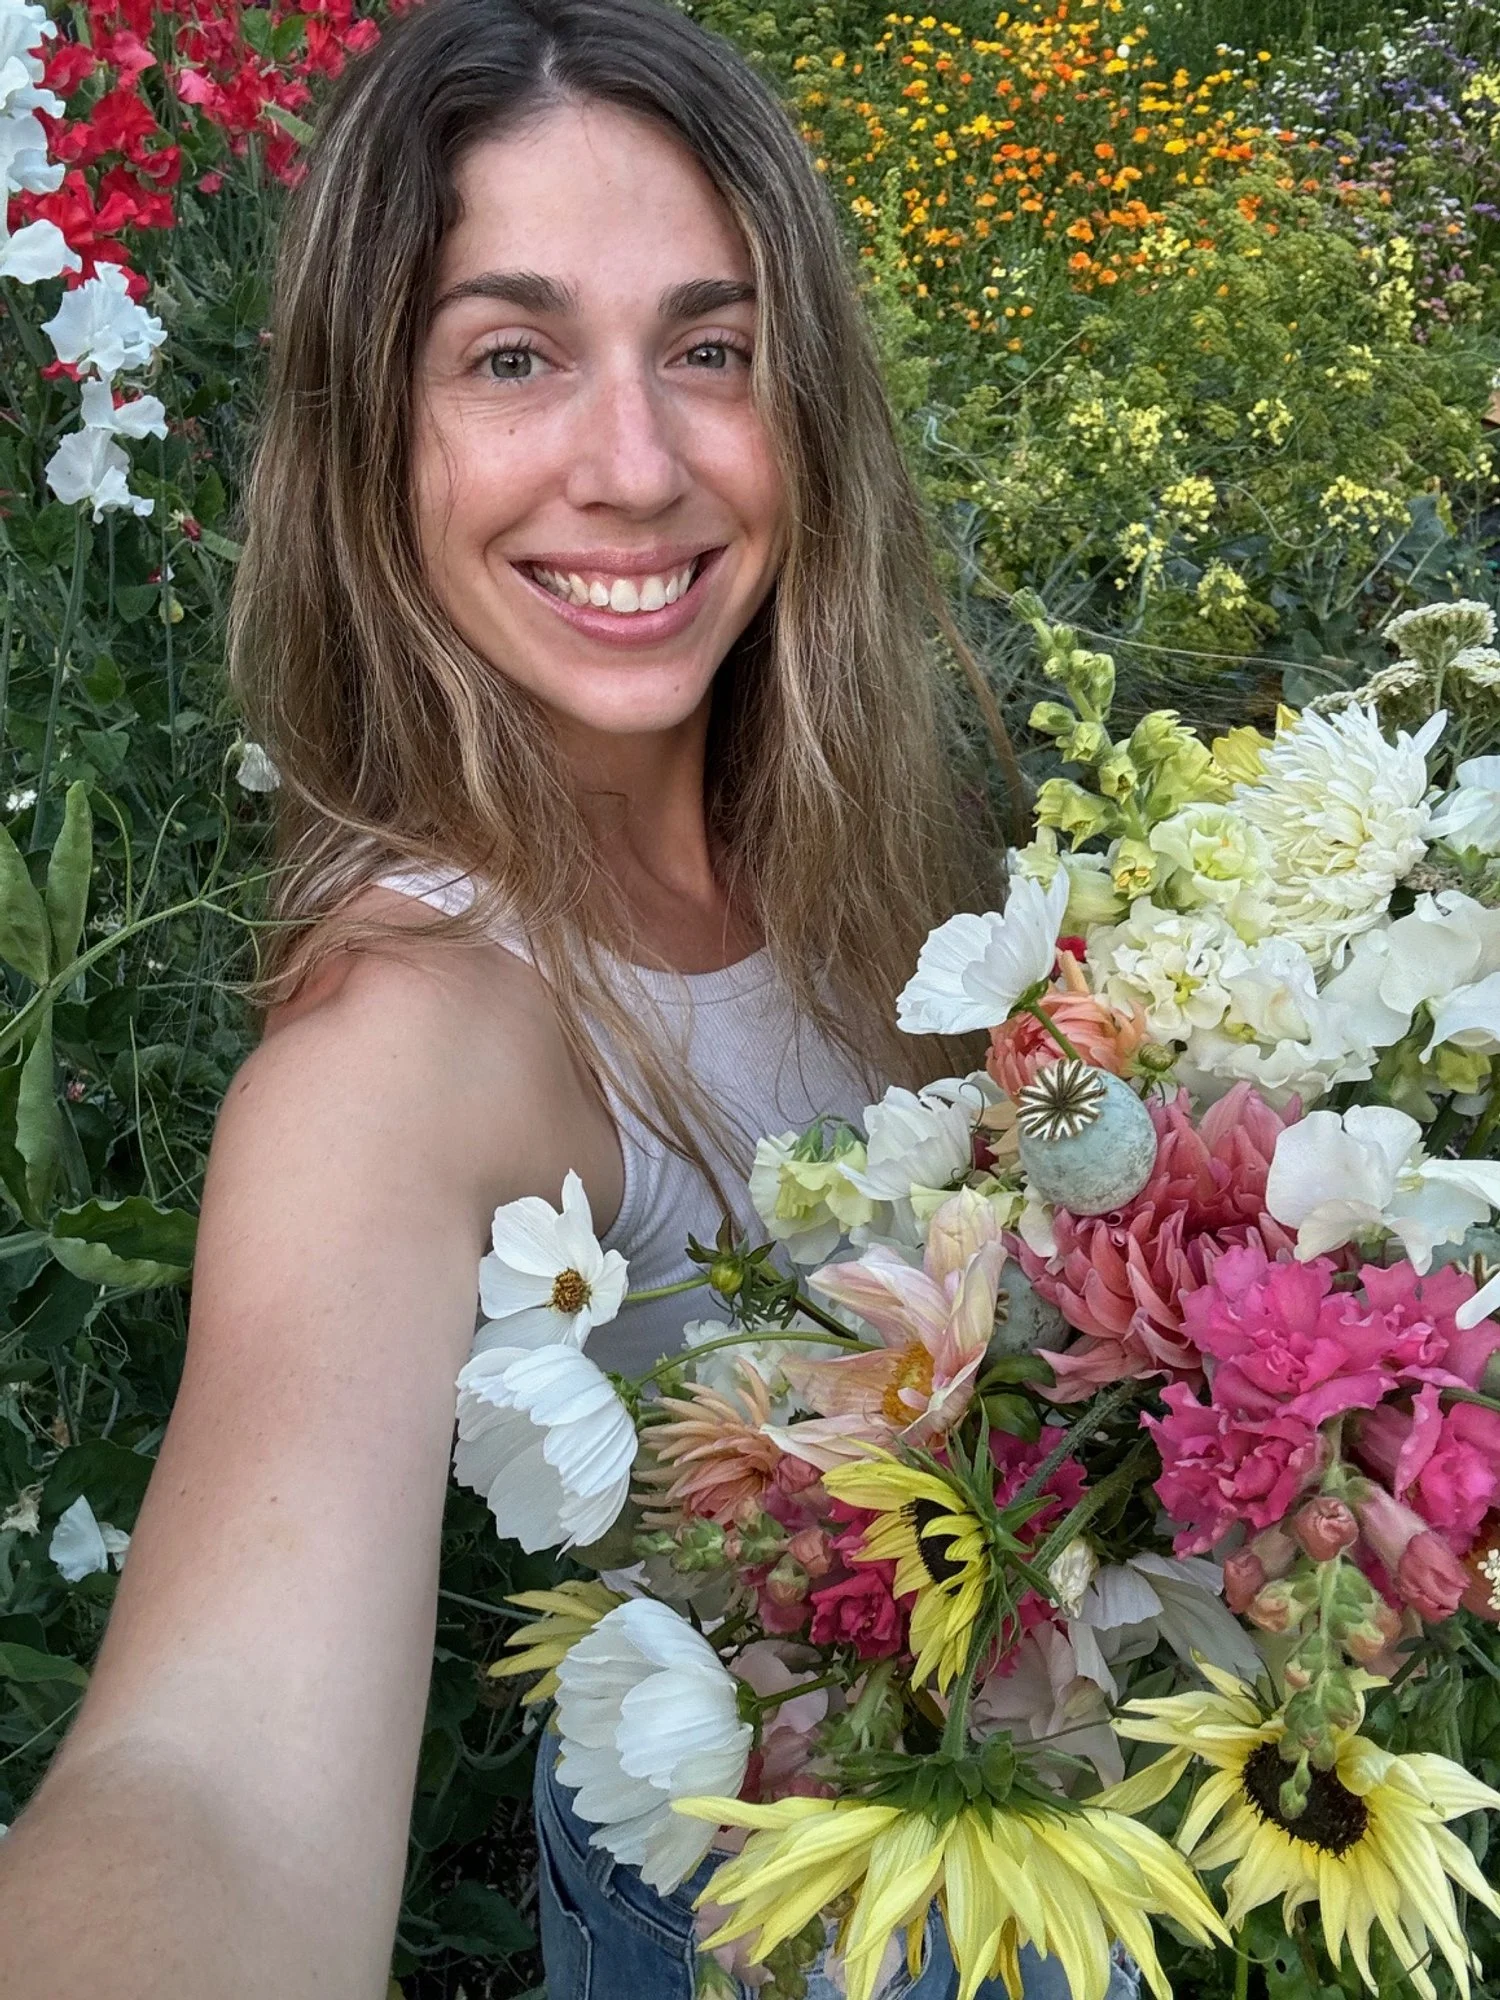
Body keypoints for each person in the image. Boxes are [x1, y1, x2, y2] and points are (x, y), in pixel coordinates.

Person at [0, 3, 1133, 1996]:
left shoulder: (893, 843)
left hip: (1076, 1828)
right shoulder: (411, 1040)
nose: (637, 465)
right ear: (377, 432)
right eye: (511, 355)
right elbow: (216, 1780)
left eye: (713, 349)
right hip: (768, 1922)